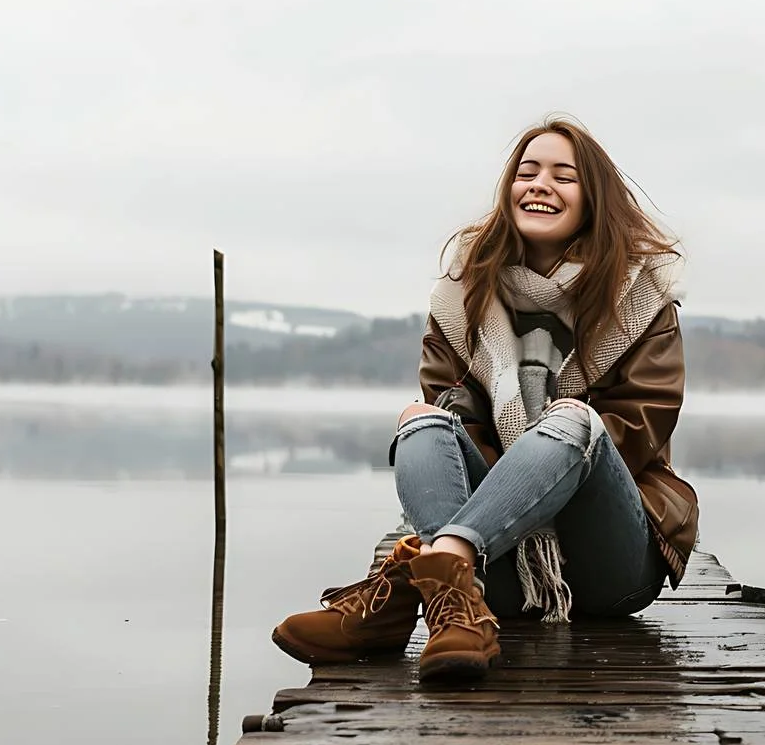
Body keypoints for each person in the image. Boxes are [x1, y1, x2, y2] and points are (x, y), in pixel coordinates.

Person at [271, 116, 698, 684]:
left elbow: (637, 431)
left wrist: (540, 465)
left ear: (594, 198)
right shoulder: (462, 297)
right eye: (527, 172)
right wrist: (505, 498)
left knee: (575, 423)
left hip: (609, 562)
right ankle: (457, 606)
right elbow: (454, 419)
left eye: (563, 176)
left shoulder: (640, 296)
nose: (540, 184)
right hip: (502, 558)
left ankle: (412, 585)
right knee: (422, 421)